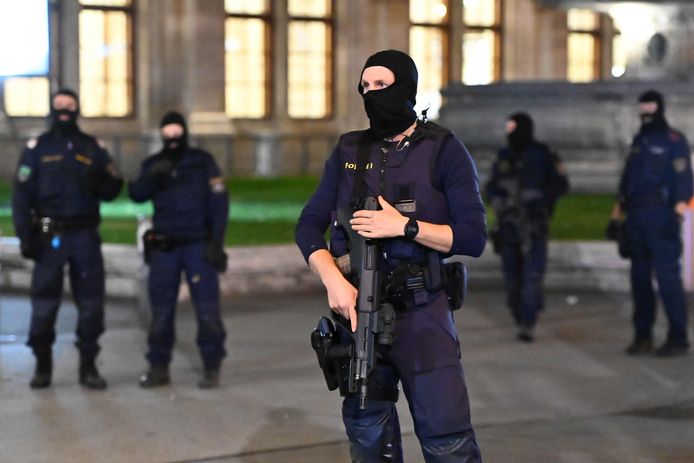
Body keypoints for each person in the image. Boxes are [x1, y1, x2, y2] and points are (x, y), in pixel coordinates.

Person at [296, 50, 486, 462]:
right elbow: (308, 227)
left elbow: (473, 237)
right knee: (368, 440)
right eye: (365, 87)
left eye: (381, 85)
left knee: (447, 440)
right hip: (358, 314)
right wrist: (334, 282)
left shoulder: (443, 148)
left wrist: (404, 227)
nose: (371, 94)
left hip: (423, 316)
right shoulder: (349, 148)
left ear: (406, 87)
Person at [12, 88, 124, 390]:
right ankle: (42, 365)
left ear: (78, 110)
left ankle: (88, 366)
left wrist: (102, 181)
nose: (64, 110)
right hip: (49, 226)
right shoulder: (37, 148)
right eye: (59, 105)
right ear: (51, 109)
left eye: (70, 105)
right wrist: (26, 236)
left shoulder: (92, 147)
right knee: (44, 300)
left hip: (84, 231)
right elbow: (22, 197)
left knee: (90, 302)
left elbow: (113, 188)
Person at [128, 111, 229, 388]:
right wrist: (152, 178)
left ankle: (212, 366)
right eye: (167, 134)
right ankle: (158, 367)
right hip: (165, 247)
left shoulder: (202, 162)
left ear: (184, 133)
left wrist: (216, 243)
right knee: (160, 311)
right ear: (161, 135)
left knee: (207, 310)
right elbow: (136, 194)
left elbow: (219, 204)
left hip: (198, 246)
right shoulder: (154, 163)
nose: (172, 139)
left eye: (177, 133)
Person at [609, 90, 692, 357]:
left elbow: (684, 181)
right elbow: (626, 183)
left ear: (660, 107)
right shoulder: (639, 140)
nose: (645, 109)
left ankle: (678, 338)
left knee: (668, 280)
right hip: (636, 220)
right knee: (639, 281)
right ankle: (642, 335)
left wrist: (676, 213)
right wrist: (616, 216)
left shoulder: (674, 140)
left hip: (661, 218)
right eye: (642, 104)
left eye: (650, 104)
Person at [485, 113, 569, 342]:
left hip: (534, 223)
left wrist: (538, 196)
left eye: (513, 127)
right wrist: (499, 199)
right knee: (512, 278)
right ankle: (519, 313)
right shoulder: (505, 155)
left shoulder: (543, 154)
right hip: (509, 224)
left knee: (532, 275)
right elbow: (491, 186)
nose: (509, 132)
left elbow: (561, 185)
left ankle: (528, 321)